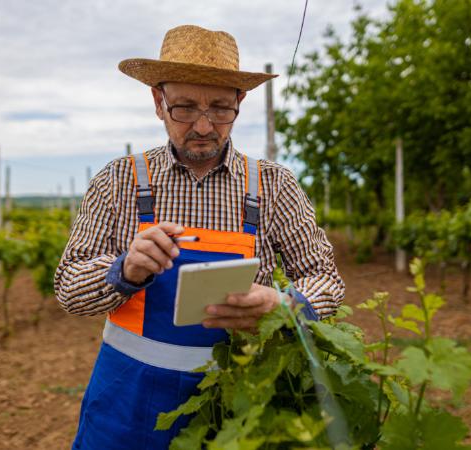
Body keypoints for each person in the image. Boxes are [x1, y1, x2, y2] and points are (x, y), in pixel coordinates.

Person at [54, 24, 345, 450]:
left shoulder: (273, 186)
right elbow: (68, 290)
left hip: (235, 397)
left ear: (240, 103)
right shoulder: (119, 181)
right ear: (158, 101)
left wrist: (287, 305)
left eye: (221, 108)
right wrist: (125, 270)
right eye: (186, 108)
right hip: (126, 401)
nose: (205, 126)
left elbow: (325, 277)